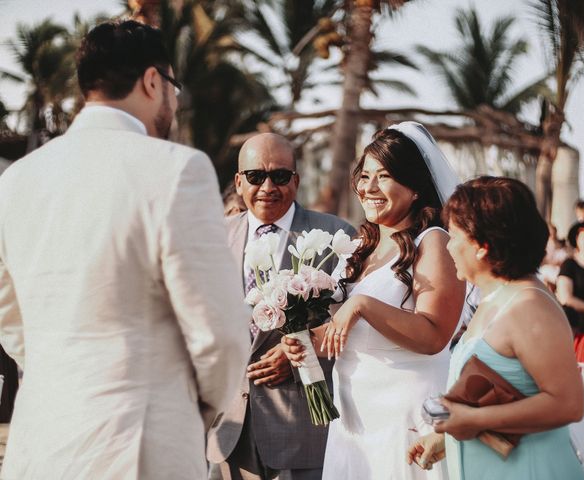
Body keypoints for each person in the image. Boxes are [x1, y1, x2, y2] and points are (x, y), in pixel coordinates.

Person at [0, 20, 249, 479]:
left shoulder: (15, 181)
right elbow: (220, 332)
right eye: (173, 87)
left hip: (39, 441)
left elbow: (10, 319)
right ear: (153, 81)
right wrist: (192, 408)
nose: (173, 102)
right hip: (139, 445)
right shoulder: (176, 170)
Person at [283, 122, 466, 479]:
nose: (368, 188)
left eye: (383, 177)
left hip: (405, 417)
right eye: (364, 176)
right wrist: (308, 342)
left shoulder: (435, 243)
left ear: (414, 188)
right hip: (353, 414)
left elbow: (433, 336)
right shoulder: (359, 248)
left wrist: (362, 305)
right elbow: (349, 336)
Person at [408, 177, 584, 480]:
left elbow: (568, 404)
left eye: (453, 236)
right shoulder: (496, 297)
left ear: (481, 245)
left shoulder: (529, 307)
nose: (448, 247)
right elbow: (510, 393)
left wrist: (475, 419)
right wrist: (447, 438)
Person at [207, 133, 355, 480]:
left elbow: (355, 322)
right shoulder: (213, 237)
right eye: (257, 177)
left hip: (302, 427)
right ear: (239, 182)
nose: (268, 187)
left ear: (297, 180)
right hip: (227, 428)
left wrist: (301, 352)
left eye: (280, 176)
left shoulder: (334, 237)